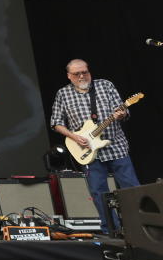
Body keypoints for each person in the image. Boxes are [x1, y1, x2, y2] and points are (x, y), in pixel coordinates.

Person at [50, 59, 140, 233]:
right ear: (69, 76)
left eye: (85, 72)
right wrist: (73, 136)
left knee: (131, 189)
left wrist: (121, 114)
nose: (82, 76)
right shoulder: (63, 94)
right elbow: (56, 123)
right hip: (89, 152)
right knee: (99, 193)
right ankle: (112, 231)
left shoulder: (105, 85)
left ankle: (140, 226)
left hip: (116, 146)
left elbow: (122, 111)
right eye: (77, 74)